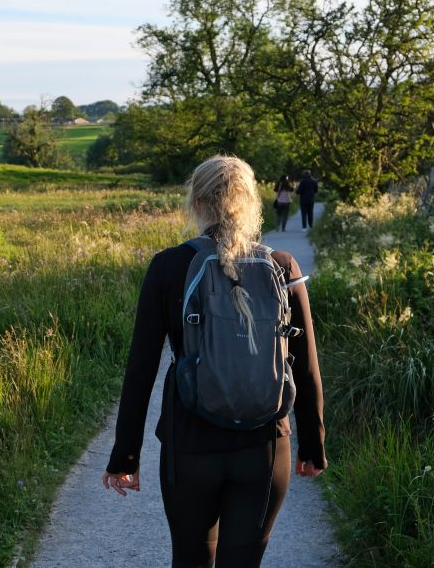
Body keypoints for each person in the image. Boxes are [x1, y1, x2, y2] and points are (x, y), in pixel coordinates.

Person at [102, 155, 326, 568]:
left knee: (191, 560)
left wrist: (125, 455)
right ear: (251, 203)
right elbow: (305, 365)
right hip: (265, 445)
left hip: (189, 446)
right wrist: (313, 446)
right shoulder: (281, 267)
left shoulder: (169, 265)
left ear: (198, 203)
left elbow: (141, 367)